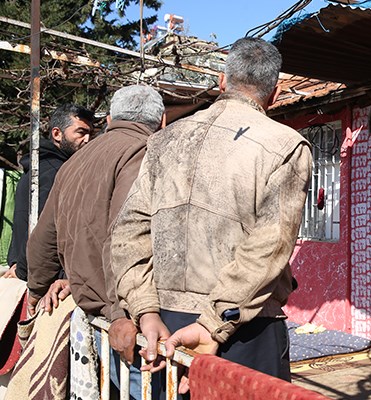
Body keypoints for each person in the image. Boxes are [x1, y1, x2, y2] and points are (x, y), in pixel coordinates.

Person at [111, 37, 312, 395]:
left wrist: (145, 310)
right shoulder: (285, 145)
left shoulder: (164, 140)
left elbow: (129, 232)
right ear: (276, 93)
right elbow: (270, 245)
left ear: (222, 82)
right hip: (243, 328)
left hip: (165, 326)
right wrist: (213, 323)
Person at [25, 85, 166, 399]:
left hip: (100, 314)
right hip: (127, 320)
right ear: (162, 121)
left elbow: (42, 241)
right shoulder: (142, 151)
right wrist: (119, 312)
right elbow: (125, 236)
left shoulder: (75, 160)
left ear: (111, 118)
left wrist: (36, 290)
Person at [2, 104, 94, 280]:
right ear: (57, 134)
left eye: (91, 133)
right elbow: (41, 231)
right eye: (81, 132)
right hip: (47, 281)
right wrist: (24, 267)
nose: (87, 140)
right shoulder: (54, 173)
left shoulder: (41, 169)